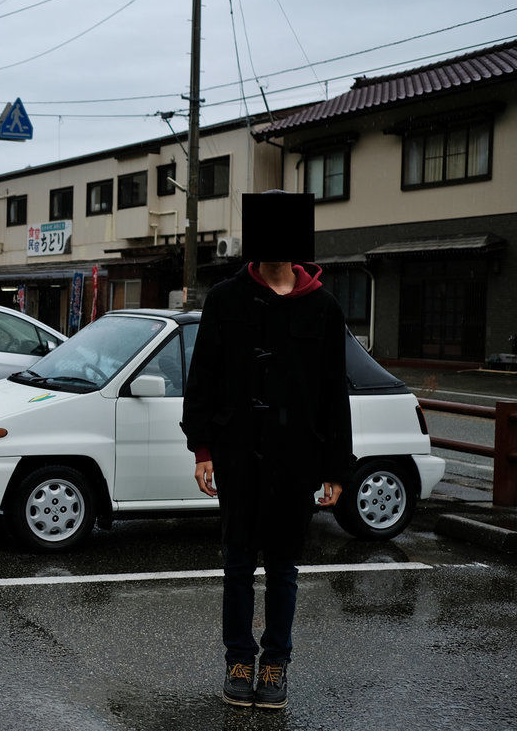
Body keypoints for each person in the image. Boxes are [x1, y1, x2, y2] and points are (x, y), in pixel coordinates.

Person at [181, 191, 354, 710]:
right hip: (236, 450)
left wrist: (335, 467)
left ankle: (276, 662)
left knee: (283, 565)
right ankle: (239, 658)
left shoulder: (322, 305)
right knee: (237, 560)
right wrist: (202, 447)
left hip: (297, 454)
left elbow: (333, 393)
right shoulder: (226, 297)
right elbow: (203, 377)